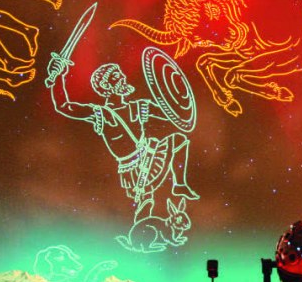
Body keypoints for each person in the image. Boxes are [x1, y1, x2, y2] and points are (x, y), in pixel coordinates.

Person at [46, 58, 198, 222]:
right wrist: (59, 77)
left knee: (178, 140)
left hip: (149, 155)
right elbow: (64, 106)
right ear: (106, 86)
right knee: (146, 201)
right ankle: (140, 230)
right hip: (133, 169)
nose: (123, 77)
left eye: (120, 74)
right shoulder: (103, 114)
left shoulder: (138, 107)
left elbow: (170, 112)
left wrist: (175, 93)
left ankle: (179, 185)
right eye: (116, 76)